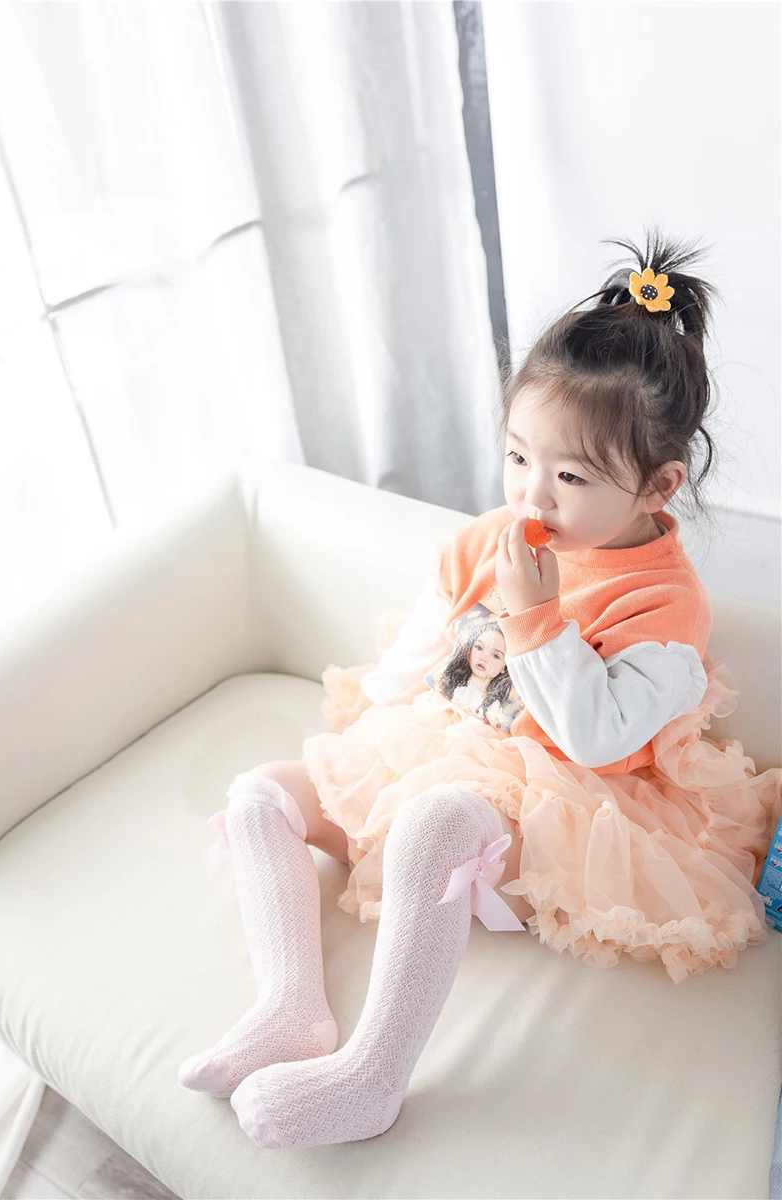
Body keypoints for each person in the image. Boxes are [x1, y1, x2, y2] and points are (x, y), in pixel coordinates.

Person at [178, 228, 782, 1150]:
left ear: (659, 486)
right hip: (449, 752)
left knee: (435, 821)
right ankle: (289, 1005)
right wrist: (359, 759)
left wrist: (537, 617)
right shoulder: (488, 537)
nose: (532, 498)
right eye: (517, 458)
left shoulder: (663, 605)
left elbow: (595, 738)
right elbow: (420, 655)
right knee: (260, 795)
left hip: (570, 808)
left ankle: (372, 1075)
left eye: (570, 476)